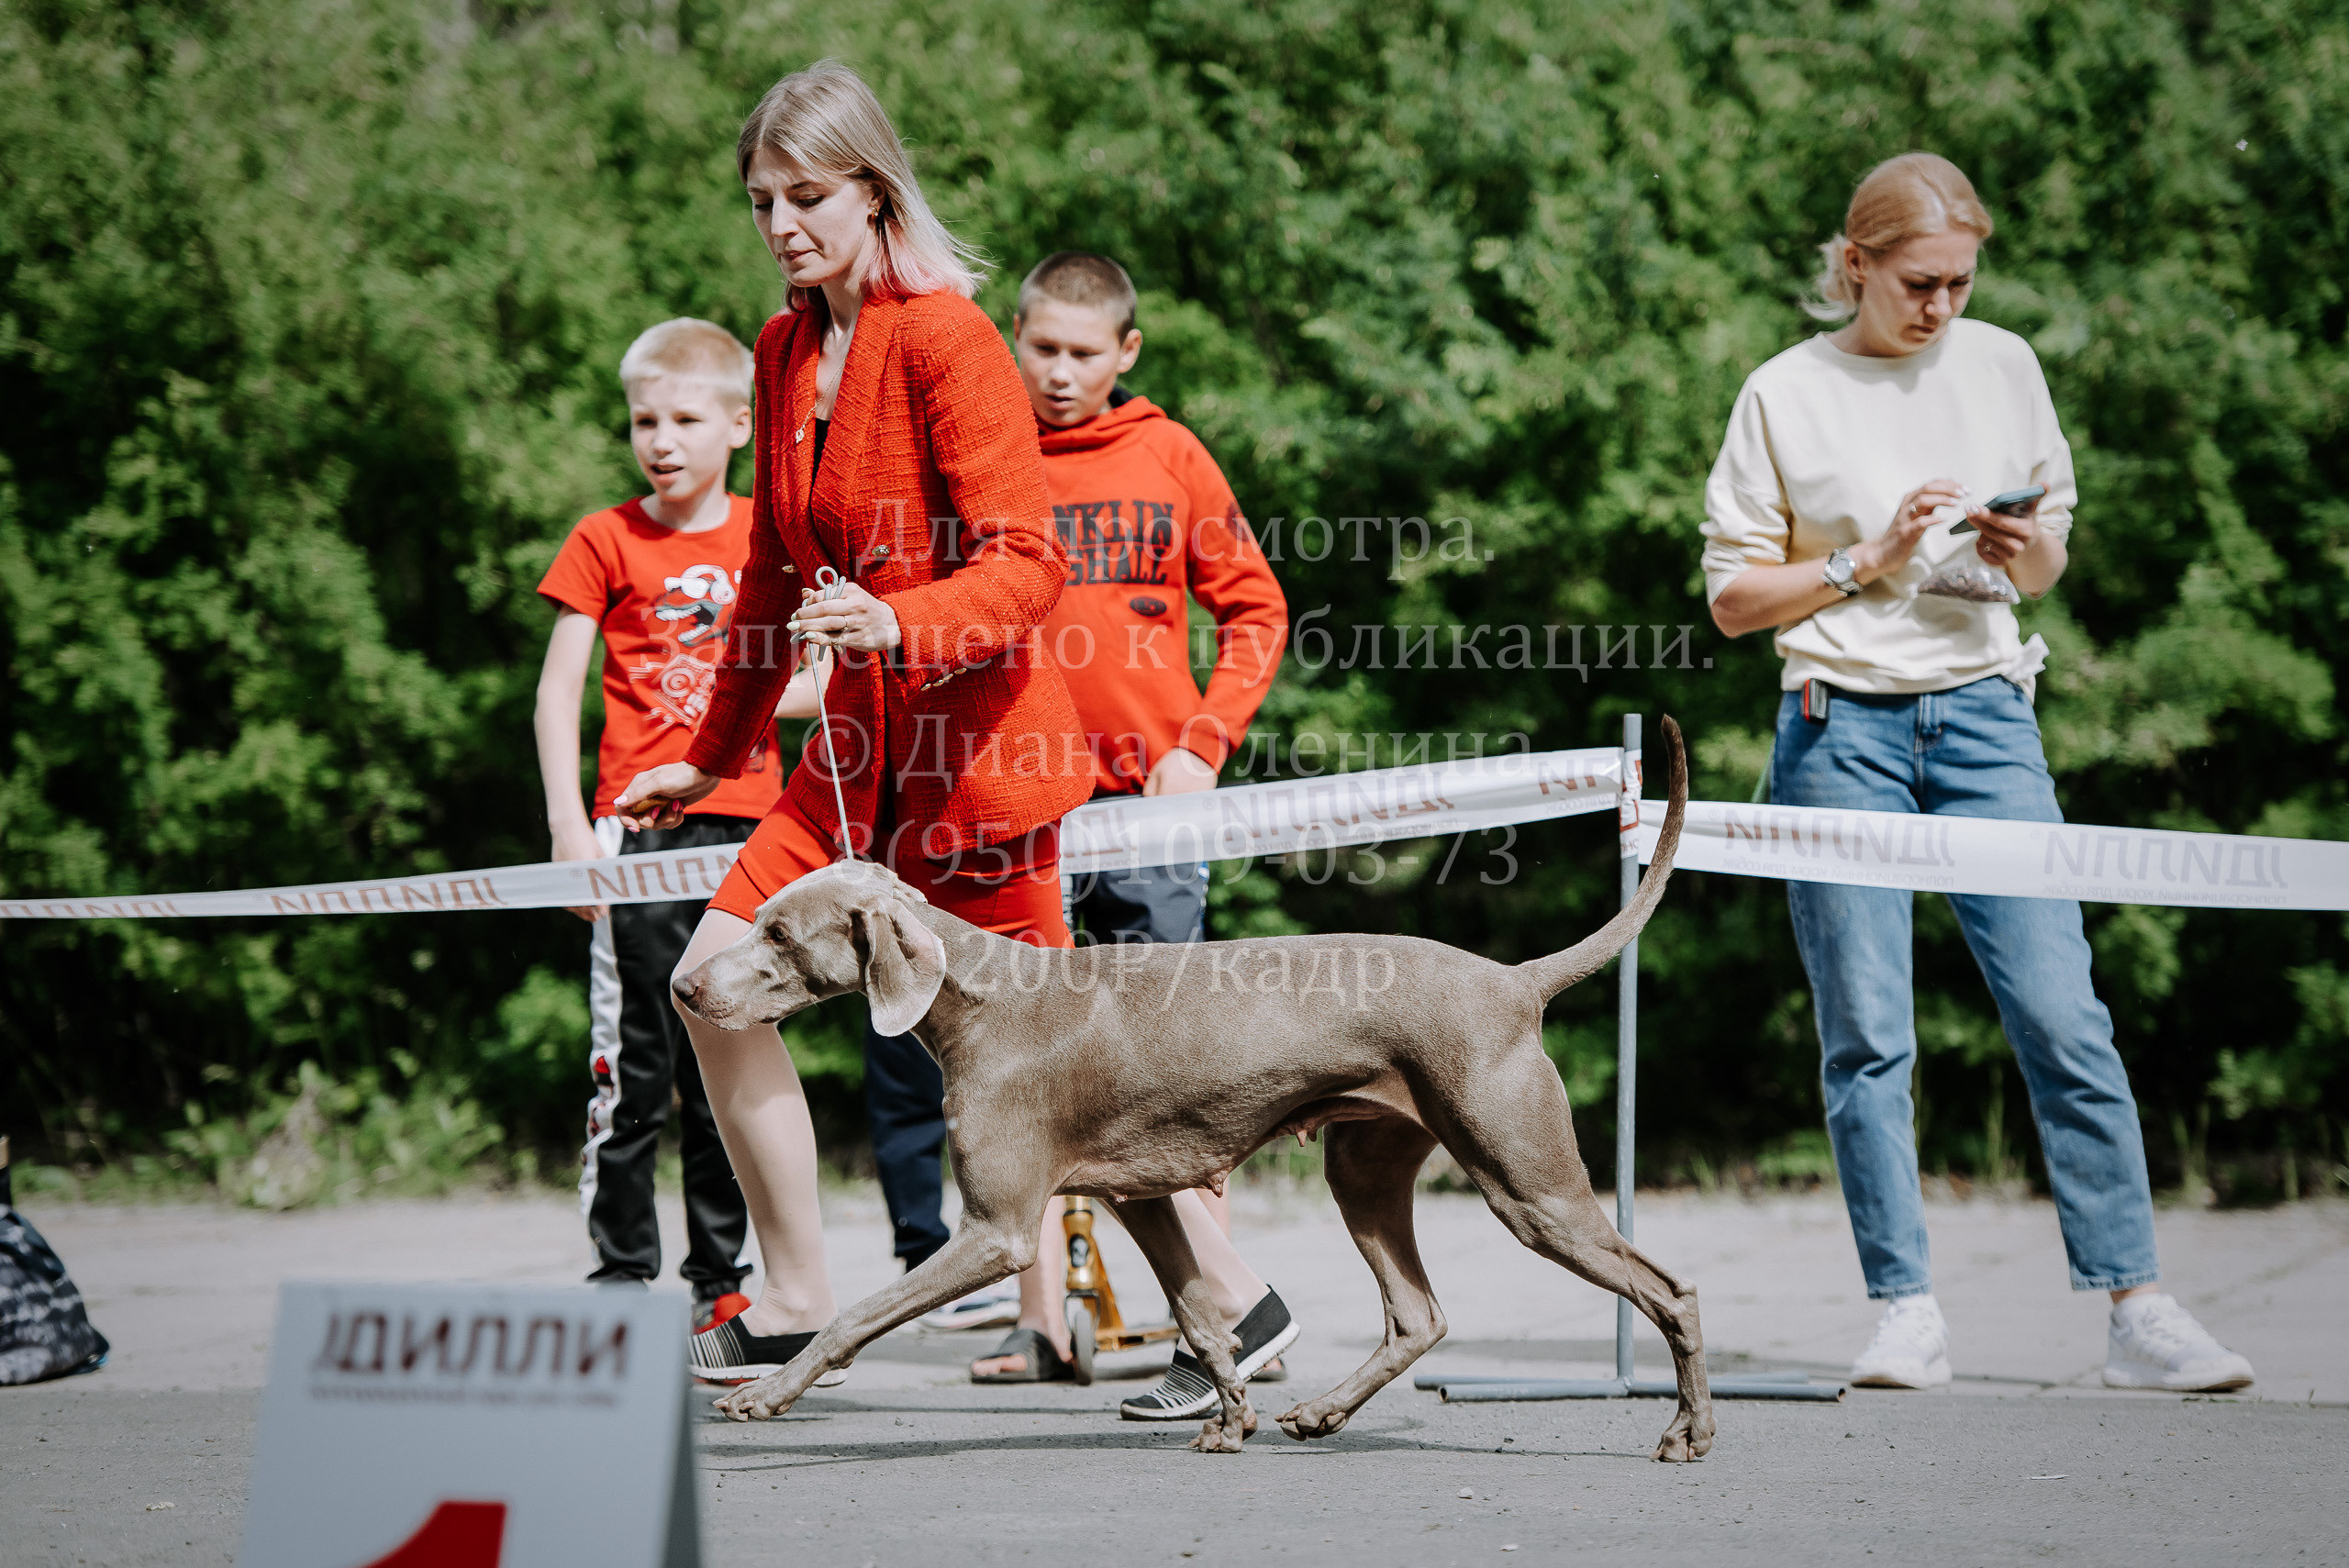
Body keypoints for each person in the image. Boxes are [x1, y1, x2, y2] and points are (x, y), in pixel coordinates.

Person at [1699, 152, 2254, 1394]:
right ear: (1855, 266)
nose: (1940, 306)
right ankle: (1905, 1310)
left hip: (1990, 720)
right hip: (1840, 724)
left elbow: (2048, 563)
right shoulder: (1785, 392)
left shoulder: (2004, 363)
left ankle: (2136, 1306)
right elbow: (1735, 601)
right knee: (1870, 1035)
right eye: (1917, 282)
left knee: (2063, 1010)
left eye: (1958, 281)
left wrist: (2024, 543)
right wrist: (1867, 558)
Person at [609, 61, 1094, 1387]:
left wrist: (901, 623)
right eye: (762, 199)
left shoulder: (946, 337)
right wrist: (709, 756)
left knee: (1065, 1068)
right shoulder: (777, 350)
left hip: (982, 759)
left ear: (875, 189)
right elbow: (770, 574)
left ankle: (1216, 1300)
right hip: (849, 775)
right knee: (709, 983)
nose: (779, 223)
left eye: (806, 194)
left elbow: (1028, 560)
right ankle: (800, 1286)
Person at [953, 250, 1299, 1416]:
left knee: (1174, 1072)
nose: (1057, 373)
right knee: (1024, 1073)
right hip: (1023, 807)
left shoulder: (1170, 454)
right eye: (1039, 347)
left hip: (1152, 814)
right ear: (1014, 339)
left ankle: (1216, 1330)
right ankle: (1043, 1318)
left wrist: (1203, 740)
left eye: (1082, 352)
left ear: (1125, 353)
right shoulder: (988, 460)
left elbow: (1256, 608)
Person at [534, 317, 824, 1331]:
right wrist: (572, 832)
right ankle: (619, 1277)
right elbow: (555, 693)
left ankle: (723, 1280)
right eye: (643, 419)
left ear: (740, 425)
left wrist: (736, 701)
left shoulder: (771, 533)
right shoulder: (605, 538)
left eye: (686, 418)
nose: (662, 438)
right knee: (635, 1064)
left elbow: (826, 676)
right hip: (636, 831)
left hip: (747, 828)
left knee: (730, 1057)